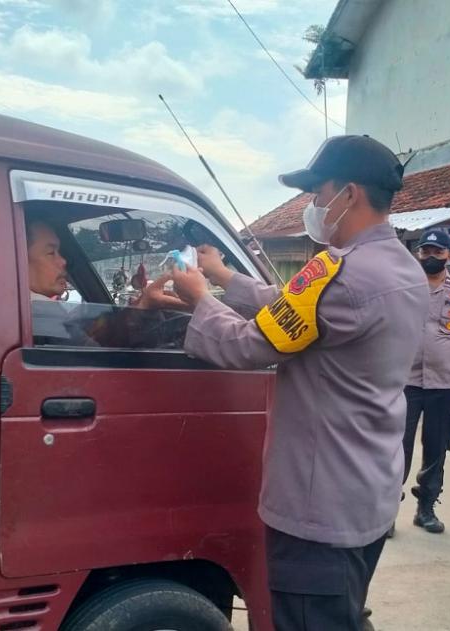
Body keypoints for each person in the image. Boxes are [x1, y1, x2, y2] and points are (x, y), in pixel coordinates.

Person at [168, 135, 428, 631]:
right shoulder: (398, 268)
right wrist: (226, 277)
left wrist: (201, 298)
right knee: (342, 616)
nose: (312, 206)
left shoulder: (345, 277)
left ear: (348, 193)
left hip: (319, 507)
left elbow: (248, 344)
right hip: (364, 491)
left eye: (317, 193)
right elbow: (294, 304)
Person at [400, 228, 450, 535]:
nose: (431, 257)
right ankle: (385, 513)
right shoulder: (405, 287)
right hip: (404, 382)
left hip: (443, 385)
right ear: (418, 254)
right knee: (395, 447)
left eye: (438, 252)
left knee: (436, 448)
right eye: (426, 251)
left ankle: (426, 509)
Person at [25, 219, 184, 346]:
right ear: (18, 260)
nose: (63, 261)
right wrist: (145, 309)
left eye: (60, 252)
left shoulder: (22, 313)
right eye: (51, 253)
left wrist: (137, 309)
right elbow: (104, 360)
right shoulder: (43, 313)